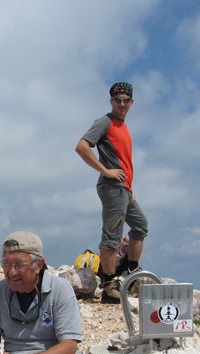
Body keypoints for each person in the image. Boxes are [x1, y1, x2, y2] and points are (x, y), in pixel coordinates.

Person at [75, 81, 148, 304]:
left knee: (140, 225)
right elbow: (82, 146)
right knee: (112, 238)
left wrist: (130, 188)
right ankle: (109, 287)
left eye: (126, 100)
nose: (122, 104)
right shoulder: (105, 122)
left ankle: (132, 272)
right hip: (112, 187)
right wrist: (105, 170)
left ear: (132, 102)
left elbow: (124, 162)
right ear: (111, 101)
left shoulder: (123, 126)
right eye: (118, 100)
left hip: (124, 189)